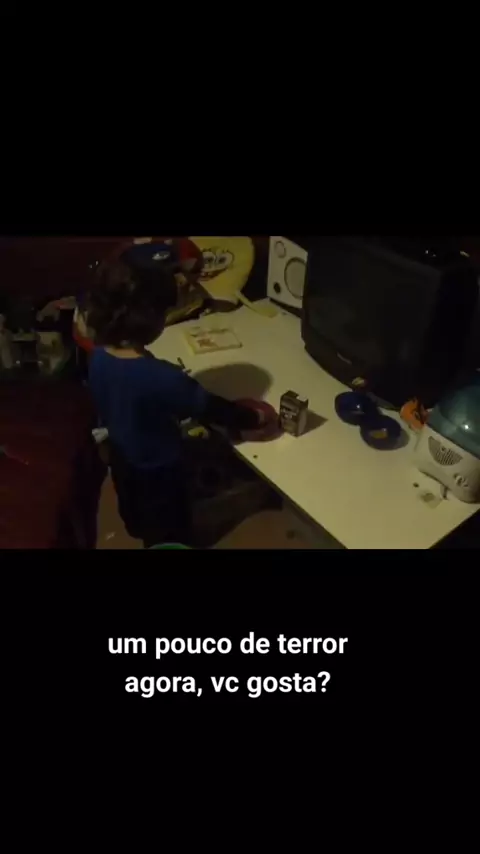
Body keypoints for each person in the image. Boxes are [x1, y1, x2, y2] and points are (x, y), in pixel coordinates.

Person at [87, 257, 276, 548]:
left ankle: (141, 529)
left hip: (122, 455)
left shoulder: (98, 355)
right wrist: (254, 419)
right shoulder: (162, 377)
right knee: (170, 526)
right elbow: (210, 408)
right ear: (149, 320)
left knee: (136, 511)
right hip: (159, 468)